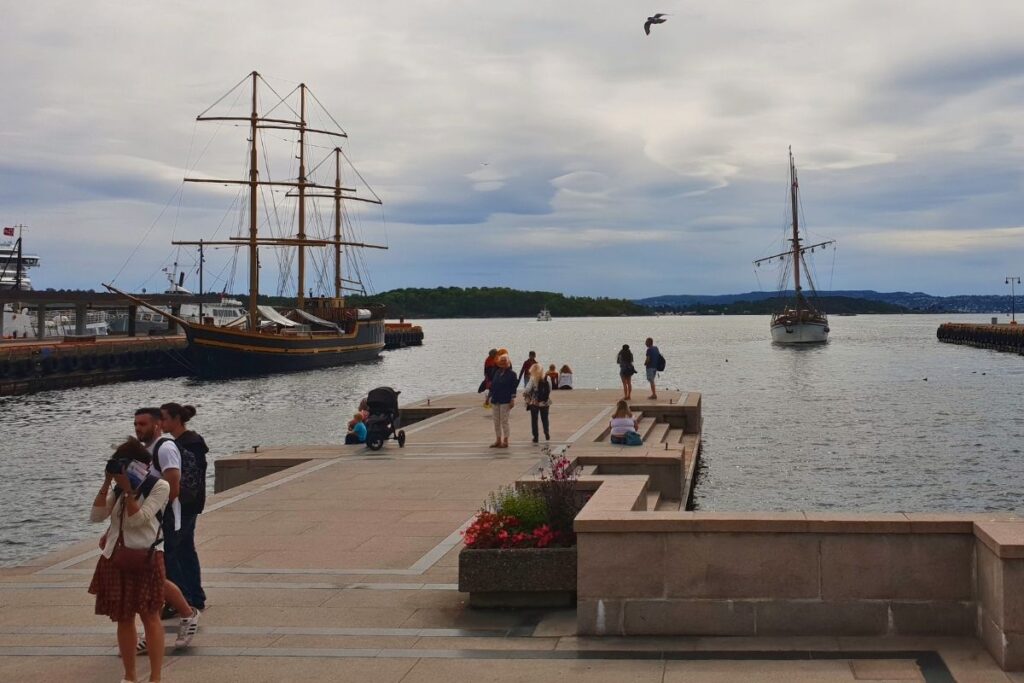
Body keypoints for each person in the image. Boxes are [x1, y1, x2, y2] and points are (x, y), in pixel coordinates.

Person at [89, 438, 169, 683]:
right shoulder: (116, 489)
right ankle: (130, 676)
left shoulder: (159, 486)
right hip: (116, 557)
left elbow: (138, 520)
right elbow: (97, 516)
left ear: (139, 465)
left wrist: (130, 491)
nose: (121, 469)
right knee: (123, 618)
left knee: (150, 616)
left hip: (145, 557)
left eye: (125, 464)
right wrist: (107, 483)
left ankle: (155, 678)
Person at [133, 408, 200, 644]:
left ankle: (187, 612)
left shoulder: (166, 448)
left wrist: (152, 514)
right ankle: (155, 627)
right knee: (151, 576)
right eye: (136, 423)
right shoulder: (143, 451)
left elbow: (173, 488)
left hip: (164, 522)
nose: (138, 427)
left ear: (157, 425)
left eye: (143, 424)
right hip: (147, 523)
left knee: (159, 575)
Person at [159, 403, 209, 616]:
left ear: (177, 419)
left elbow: (186, 477)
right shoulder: (189, 442)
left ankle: (182, 599)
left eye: (164, 419)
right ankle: (195, 596)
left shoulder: (185, 445)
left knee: (173, 551)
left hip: (183, 504)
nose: (161, 423)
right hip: (191, 502)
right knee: (186, 549)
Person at [488, 354, 518, 448]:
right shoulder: (497, 372)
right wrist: (488, 397)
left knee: (504, 421)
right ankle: (498, 439)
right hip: (495, 399)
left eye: (504, 363)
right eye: (501, 363)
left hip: (505, 400)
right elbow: (493, 386)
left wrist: (512, 399)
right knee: (496, 421)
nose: (502, 365)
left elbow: (513, 388)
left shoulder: (512, 374)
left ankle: (505, 440)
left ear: (508, 363)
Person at [523, 363, 551, 443]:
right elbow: (550, 389)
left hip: (535, 402)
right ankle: (546, 432)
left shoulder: (533, 378)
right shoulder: (547, 377)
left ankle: (536, 437)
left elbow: (527, 389)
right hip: (545, 402)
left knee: (534, 420)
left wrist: (525, 394)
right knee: (545, 418)